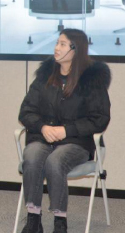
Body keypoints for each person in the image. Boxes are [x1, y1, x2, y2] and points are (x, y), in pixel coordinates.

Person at [18, 29, 111, 233]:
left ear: (75, 49)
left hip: (76, 142)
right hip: (42, 138)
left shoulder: (91, 80)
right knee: (31, 157)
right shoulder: (45, 76)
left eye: (62, 44)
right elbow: (26, 111)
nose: (56, 48)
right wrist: (42, 127)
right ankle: (33, 218)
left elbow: (100, 119)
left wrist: (66, 131)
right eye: (57, 43)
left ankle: (60, 221)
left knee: (55, 160)